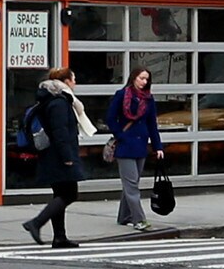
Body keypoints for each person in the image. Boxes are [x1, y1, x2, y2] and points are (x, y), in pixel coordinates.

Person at [21, 67, 94, 249]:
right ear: (66, 81)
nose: (75, 82)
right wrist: (67, 157)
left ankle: (59, 237)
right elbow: (60, 131)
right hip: (58, 155)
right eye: (74, 78)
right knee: (69, 194)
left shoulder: (53, 99)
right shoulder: (59, 102)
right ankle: (36, 223)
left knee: (61, 194)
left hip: (53, 154)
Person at [104, 65, 165, 231]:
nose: (144, 82)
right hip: (125, 146)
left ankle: (124, 216)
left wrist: (157, 146)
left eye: (147, 79)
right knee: (132, 186)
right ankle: (139, 220)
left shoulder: (148, 99)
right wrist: (120, 135)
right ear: (133, 78)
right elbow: (110, 118)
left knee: (132, 182)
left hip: (141, 146)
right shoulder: (122, 95)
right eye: (141, 78)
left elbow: (152, 124)